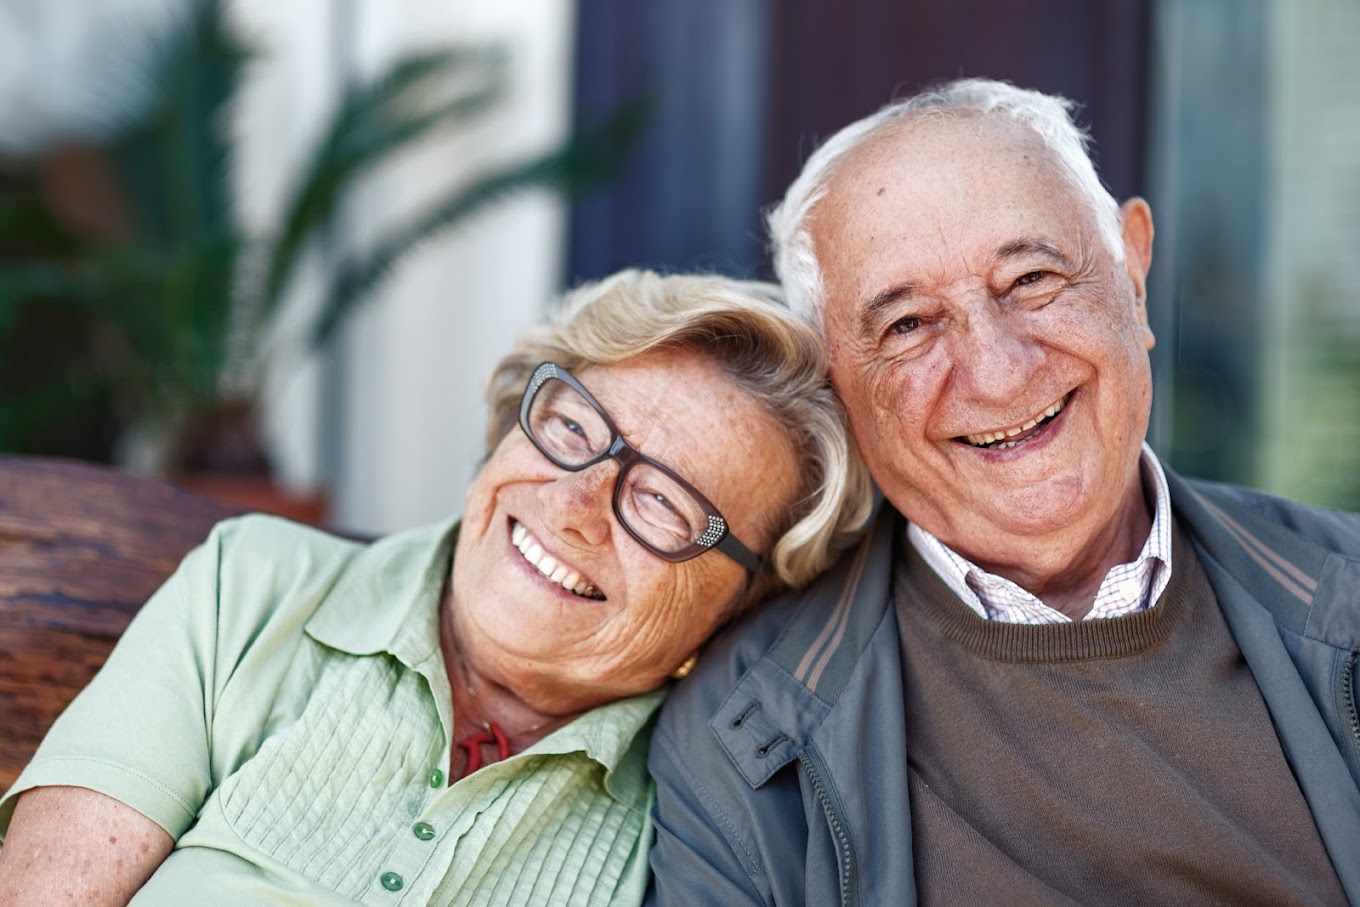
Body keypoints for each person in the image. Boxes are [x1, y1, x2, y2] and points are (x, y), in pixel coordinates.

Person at [646, 79, 1360, 905]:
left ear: (1132, 274)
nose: (998, 371)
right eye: (908, 324)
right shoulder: (741, 741)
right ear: (835, 384)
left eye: (1031, 278)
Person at [0, 269, 873, 905]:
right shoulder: (252, 587)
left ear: (741, 600)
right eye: (573, 427)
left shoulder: (693, 820)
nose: (573, 505)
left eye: (662, 501)